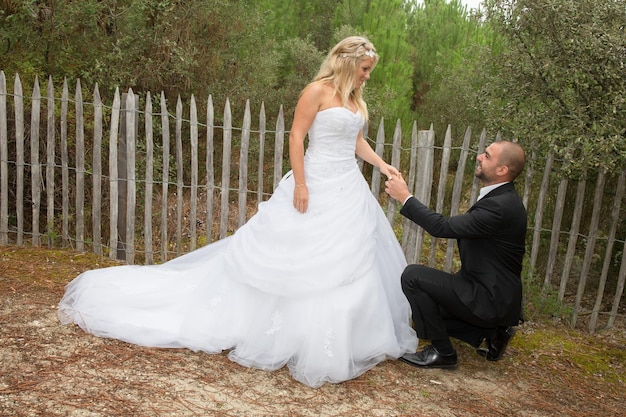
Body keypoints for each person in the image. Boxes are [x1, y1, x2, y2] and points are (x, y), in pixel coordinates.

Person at [58, 36, 418, 388]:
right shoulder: (317, 91)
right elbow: (296, 137)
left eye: (370, 70)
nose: (368, 76)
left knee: (346, 262)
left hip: (347, 189)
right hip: (315, 182)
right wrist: (302, 185)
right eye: (366, 69)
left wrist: (382, 165)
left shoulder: (354, 99)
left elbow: (354, 141)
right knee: (292, 256)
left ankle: (341, 337)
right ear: (348, 63)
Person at [384, 140, 527, 369]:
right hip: (490, 292)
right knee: (425, 314)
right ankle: (490, 332)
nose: (480, 156)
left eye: (487, 156)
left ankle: (443, 353)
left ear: (502, 170)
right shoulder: (502, 197)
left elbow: (442, 228)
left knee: (413, 276)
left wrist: (405, 197)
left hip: (489, 297)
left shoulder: (500, 206)